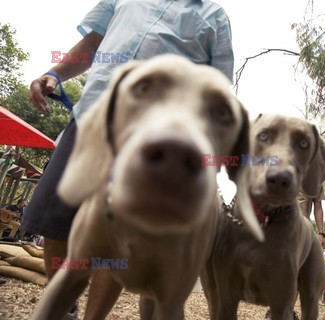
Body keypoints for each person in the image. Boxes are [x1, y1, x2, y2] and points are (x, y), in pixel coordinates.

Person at [21, 1, 234, 319]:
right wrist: (54, 73)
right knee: (52, 218)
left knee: (117, 235)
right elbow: (92, 44)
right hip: (92, 118)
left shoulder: (214, 17)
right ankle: (66, 309)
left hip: (151, 141)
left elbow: (218, 88)